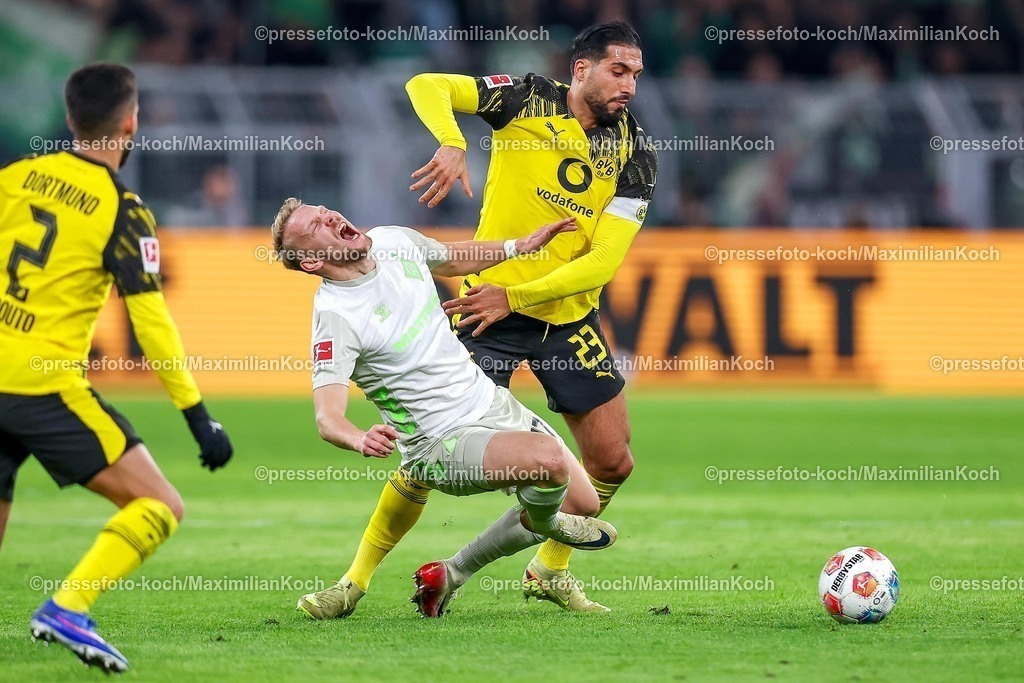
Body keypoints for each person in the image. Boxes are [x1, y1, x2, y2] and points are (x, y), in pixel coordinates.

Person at [401, 21, 658, 612]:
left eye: (636, 75)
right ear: (582, 70)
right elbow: (427, 85)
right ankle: (355, 581)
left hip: (564, 320)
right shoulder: (525, 100)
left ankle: (542, 571)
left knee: (612, 461)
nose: (630, 87)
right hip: (485, 309)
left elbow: (602, 263)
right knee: (427, 455)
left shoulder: (635, 153)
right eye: (618, 71)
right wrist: (451, 140)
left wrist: (518, 298)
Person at [268, 198, 615, 618]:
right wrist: (359, 437)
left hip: (487, 401)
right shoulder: (336, 317)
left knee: (584, 503)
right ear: (309, 262)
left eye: (325, 210)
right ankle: (547, 524)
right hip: (438, 444)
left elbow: (451, 258)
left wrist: (518, 246)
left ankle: (450, 574)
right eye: (316, 225)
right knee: (551, 463)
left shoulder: (393, 241)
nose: (331, 216)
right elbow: (327, 417)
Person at [0, 63, 234, 673]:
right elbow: (151, 325)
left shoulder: (16, 177)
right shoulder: (123, 210)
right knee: (160, 506)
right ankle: (68, 607)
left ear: (71, 118)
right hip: (39, 386)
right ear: (131, 122)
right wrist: (197, 416)